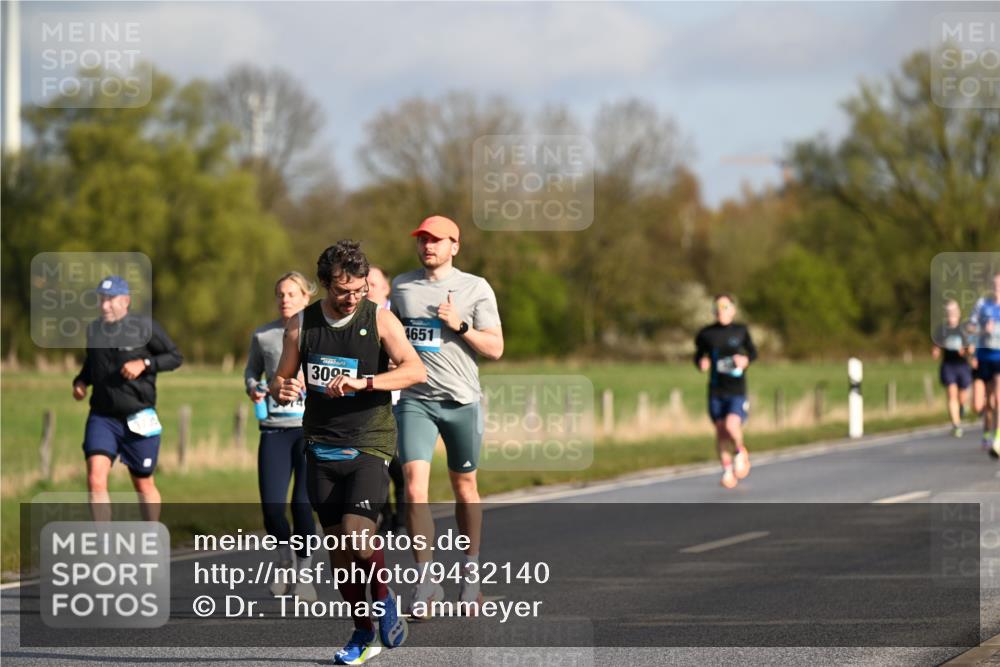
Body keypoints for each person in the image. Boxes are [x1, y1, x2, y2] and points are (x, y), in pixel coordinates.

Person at [270, 240, 425, 664]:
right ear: (323, 284)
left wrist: (366, 382)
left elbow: (415, 370)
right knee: (339, 551)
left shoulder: (381, 319)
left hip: (370, 441)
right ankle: (362, 632)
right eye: (343, 291)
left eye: (359, 289)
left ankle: (383, 597)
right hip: (321, 444)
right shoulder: (302, 325)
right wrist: (282, 387)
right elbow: (281, 379)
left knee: (359, 537)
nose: (353, 297)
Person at [390, 215, 504, 617]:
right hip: (415, 400)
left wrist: (460, 325)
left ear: (455, 245)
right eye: (422, 239)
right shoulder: (401, 288)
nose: (428, 246)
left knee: (465, 487)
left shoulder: (475, 287)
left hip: (461, 402)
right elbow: (392, 337)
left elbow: (495, 348)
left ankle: (471, 579)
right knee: (414, 489)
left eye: (436, 240)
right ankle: (426, 582)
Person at [72, 275, 183, 521]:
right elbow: (93, 365)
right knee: (95, 478)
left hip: (139, 417)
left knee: (143, 484)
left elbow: (175, 357)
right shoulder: (94, 330)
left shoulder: (145, 327)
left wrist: (144, 363)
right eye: (102, 300)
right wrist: (80, 381)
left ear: (126, 301)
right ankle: (103, 542)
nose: (105, 306)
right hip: (103, 417)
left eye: (111, 300)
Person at [245, 271, 318, 601]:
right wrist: (253, 387)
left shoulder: (318, 332)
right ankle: (284, 561)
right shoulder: (264, 335)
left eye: (291, 294)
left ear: (306, 297)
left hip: (310, 429)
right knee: (273, 507)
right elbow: (252, 371)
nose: (285, 299)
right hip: (274, 429)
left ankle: (305, 572)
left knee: (302, 504)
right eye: (280, 294)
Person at [693, 294, 757, 489]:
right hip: (715, 389)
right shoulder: (706, 334)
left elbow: (752, 352)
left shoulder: (740, 331)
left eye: (726, 307)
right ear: (714, 311)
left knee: (731, 425)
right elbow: (698, 354)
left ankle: (740, 451)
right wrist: (700, 363)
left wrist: (745, 361)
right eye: (718, 308)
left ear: (733, 310)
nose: (722, 312)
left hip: (736, 389)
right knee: (720, 432)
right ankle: (727, 471)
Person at [368, 266, 406, 534]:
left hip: (401, 402)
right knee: (376, 464)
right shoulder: (358, 318)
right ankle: (387, 514)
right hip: (371, 403)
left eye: (372, 284)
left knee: (399, 465)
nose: (367, 289)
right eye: (364, 284)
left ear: (386, 288)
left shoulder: (398, 316)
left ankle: (401, 519)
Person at [932, 300, 975, 438]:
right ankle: (956, 425)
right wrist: (936, 351)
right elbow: (936, 346)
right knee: (951, 393)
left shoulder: (964, 329)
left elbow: (971, 348)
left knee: (962, 397)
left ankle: (961, 408)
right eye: (948, 312)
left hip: (962, 365)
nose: (951, 314)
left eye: (953, 311)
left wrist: (966, 351)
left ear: (958, 313)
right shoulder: (942, 329)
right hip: (948, 365)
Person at [969, 270, 1000, 458]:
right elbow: (970, 327)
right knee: (979, 404)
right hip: (982, 358)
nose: (997, 289)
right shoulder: (982, 305)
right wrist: (982, 329)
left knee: (998, 399)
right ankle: (987, 428)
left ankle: (997, 438)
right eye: (995, 285)